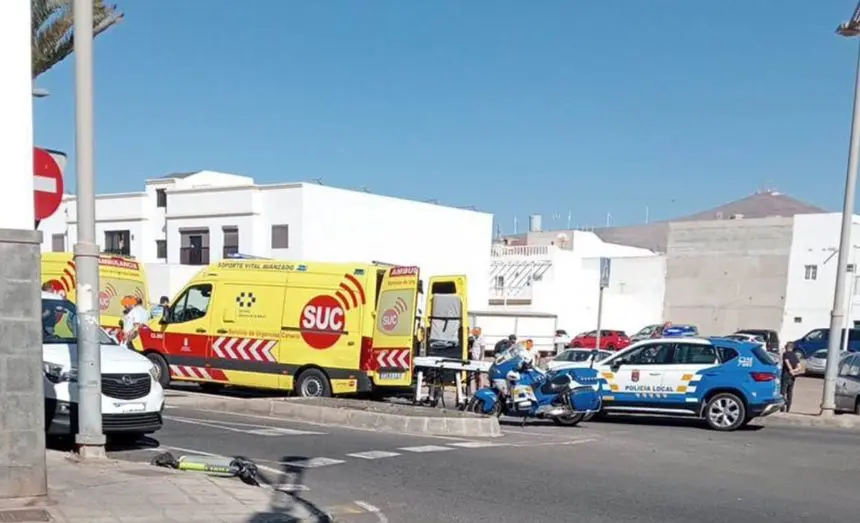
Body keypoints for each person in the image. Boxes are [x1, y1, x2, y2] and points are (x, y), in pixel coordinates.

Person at [781, 342, 803, 412]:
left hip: (786, 375)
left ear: (787, 347)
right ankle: (788, 409)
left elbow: (787, 361)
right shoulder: (794, 355)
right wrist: (794, 371)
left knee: (783, 392)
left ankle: (782, 408)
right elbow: (800, 367)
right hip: (792, 377)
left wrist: (790, 370)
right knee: (790, 392)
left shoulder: (785, 354)